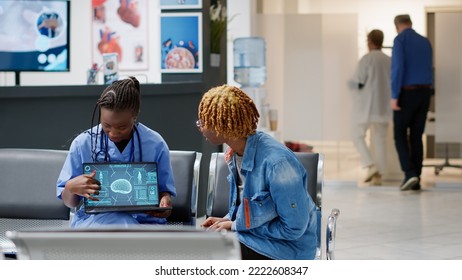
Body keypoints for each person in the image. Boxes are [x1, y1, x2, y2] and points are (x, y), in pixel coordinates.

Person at [198, 85, 318, 260]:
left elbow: (294, 229)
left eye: (203, 121)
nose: (200, 127)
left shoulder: (278, 164)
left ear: (222, 125)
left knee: (209, 254)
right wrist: (226, 220)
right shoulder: (236, 154)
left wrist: (236, 225)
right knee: (199, 246)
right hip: (257, 239)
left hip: (286, 250)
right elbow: (251, 210)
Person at [56, 77, 175, 228]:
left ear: (135, 115)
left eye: (122, 127)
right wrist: (70, 187)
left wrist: (165, 204)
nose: (113, 133)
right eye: (107, 126)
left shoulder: (156, 144)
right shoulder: (83, 144)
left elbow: (165, 193)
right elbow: (69, 202)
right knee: (116, 225)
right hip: (96, 222)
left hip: (144, 223)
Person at [390, 14, 433, 191]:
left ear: (397, 25)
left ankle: (409, 173)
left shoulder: (400, 40)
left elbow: (398, 68)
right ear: (411, 23)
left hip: (406, 94)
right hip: (425, 93)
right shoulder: (425, 41)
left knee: (399, 134)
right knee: (416, 135)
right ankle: (417, 177)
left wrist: (394, 96)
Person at [351, 29, 392, 186]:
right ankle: (378, 176)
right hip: (384, 107)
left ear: (370, 41)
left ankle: (370, 165)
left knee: (356, 134)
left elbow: (358, 82)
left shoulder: (366, 59)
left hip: (367, 107)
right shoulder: (389, 60)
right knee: (380, 140)